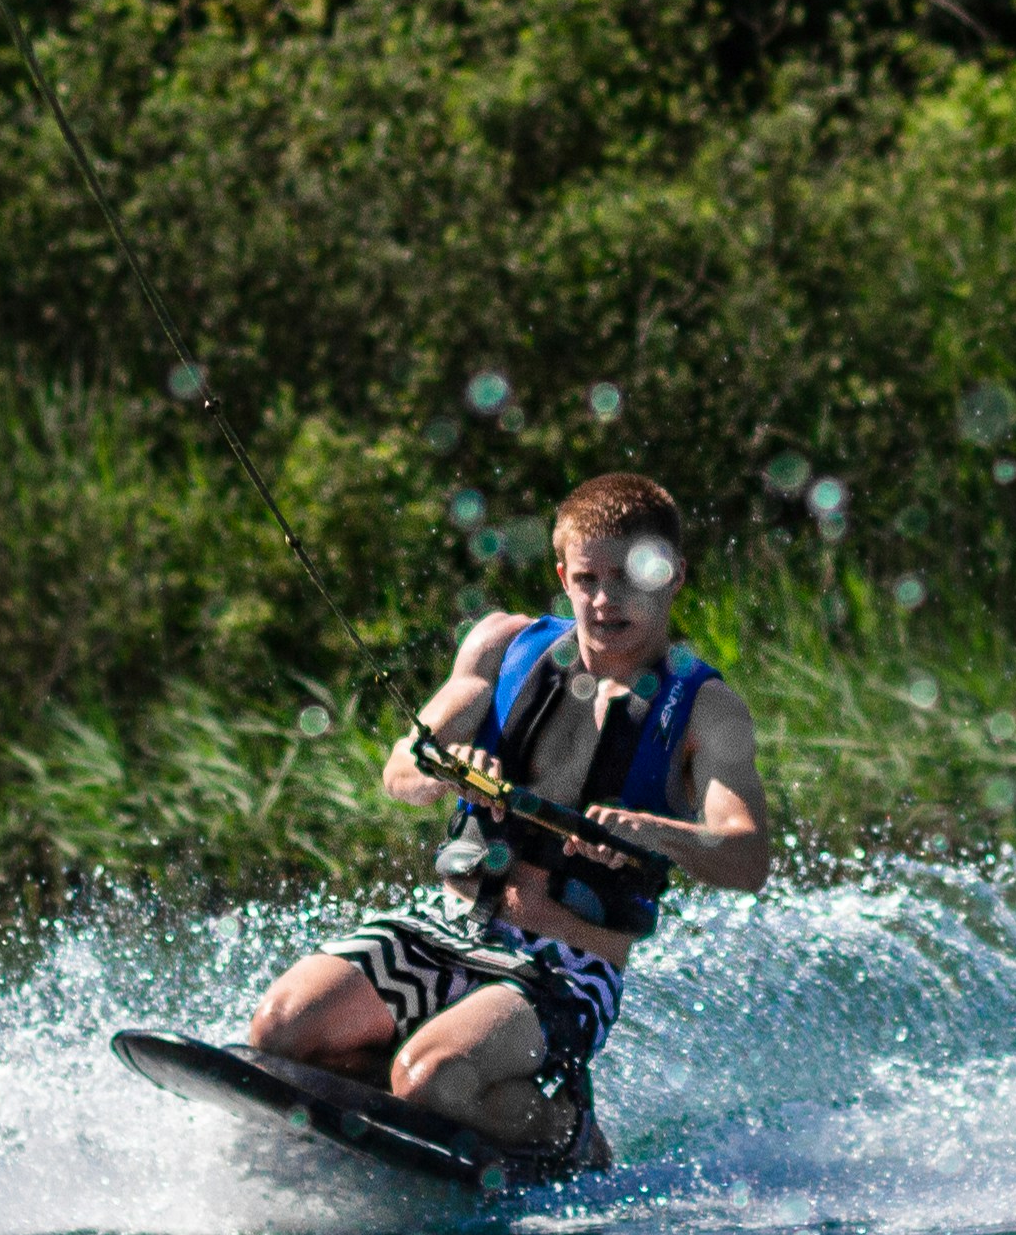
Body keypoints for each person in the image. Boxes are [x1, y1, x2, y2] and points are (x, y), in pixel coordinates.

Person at [246, 472, 774, 1155]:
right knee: (280, 1031)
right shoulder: (501, 645)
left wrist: (654, 832)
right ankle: (417, 1090)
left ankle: (571, 1136)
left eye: (628, 579)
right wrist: (447, 767)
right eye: (587, 579)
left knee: (432, 1076)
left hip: (564, 970)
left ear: (671, 576)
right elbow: (401, 768)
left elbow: (748, 855)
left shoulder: (705, 708)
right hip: (446, 927)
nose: (605, 600)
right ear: (563, 574)